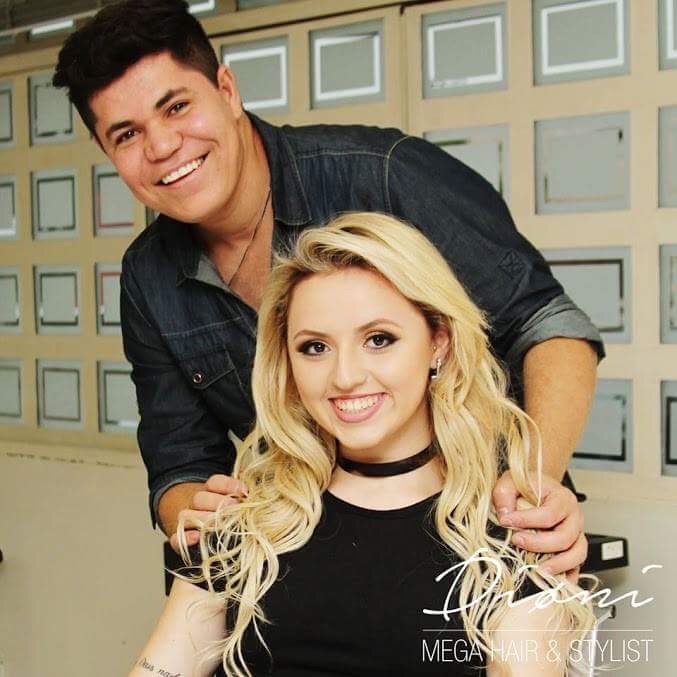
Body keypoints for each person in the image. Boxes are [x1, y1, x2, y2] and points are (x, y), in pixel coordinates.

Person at [53, 0, 601, 574]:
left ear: (228, 91)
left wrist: (536, 481)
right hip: (312, 558)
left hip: (488, 536)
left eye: (177, 107)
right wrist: (196, 515)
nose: (162, 146)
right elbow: (179, 461)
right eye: (127, 134)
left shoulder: (383, 174)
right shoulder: (148, 276)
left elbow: (549, 325)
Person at [130, 213, 595, 677]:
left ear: (438, 342)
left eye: (378, 339)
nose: (345, 376)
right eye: (315, 347)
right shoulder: (246, 521)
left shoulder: (512, 538)